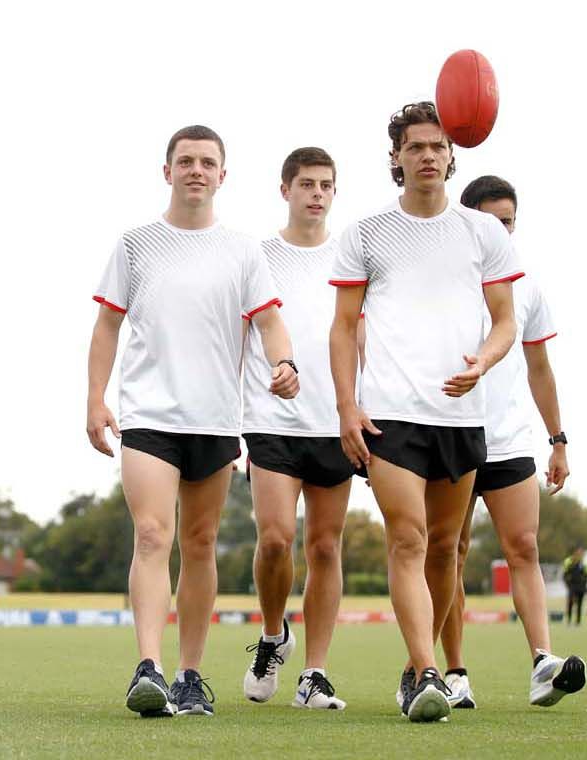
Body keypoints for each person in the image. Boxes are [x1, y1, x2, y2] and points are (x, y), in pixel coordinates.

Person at [87, 125, 298, 718]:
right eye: (186, 161)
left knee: (200, 543)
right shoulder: (136, 245)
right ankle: (148, 668)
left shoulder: (243, 251)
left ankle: (188, 675)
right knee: (153, 535)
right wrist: (95, 399)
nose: (197, 171)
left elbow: (269, 322)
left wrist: (284, 362)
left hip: (214, 420)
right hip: (149, 416)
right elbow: (107, 327)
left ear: (223, 176)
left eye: (208, 162)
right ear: (168, 170)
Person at [329, 102, 520, 723]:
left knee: (445, 549)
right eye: (416, 147)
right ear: (396, 158)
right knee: (407, 538)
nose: (428, 156)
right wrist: (346, 407)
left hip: (463, 416)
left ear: (452, 154)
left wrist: (483, 362)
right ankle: (428, 669)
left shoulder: (483, 232)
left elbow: (505, 322)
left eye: (437, 146)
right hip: (390, 416)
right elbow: (343, 327)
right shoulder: (365, 233)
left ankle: (414, 672)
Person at [437, 175, 585, 709]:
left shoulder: (527, 287)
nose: (502, 232)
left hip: (510, 441)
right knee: (449, 554)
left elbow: (539, 369)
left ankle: (543, 662)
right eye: (492, 222)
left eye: (510, 222)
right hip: (449, 435)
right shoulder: (439, 280)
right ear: (468, 222)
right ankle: (453, 673)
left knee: (523, 547)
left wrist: (559, 441)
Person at [239, 147, 353, 711]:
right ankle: (271, 634)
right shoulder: (257, 256)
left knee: (326, 547)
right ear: (285, 189)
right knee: (276, 538)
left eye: (326, 185)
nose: (317, 193)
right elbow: (243, 335)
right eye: (307, 183)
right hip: (270, 421)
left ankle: (315, 673)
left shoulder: (352, 256)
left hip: (336, 421)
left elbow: (365, 335)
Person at [562, 547, 587, 626]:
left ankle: (578, 621)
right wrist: (568, 585)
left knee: (579, 604)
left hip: (581, 587)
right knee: (570, 603)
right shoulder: (569, 562)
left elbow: (586, 575)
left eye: (582, 552)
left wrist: (584, 585)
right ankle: (569, 620)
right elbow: (565, 575)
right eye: (579, 552)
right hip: (572, 587)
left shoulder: (583, 563)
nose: (580, 554)